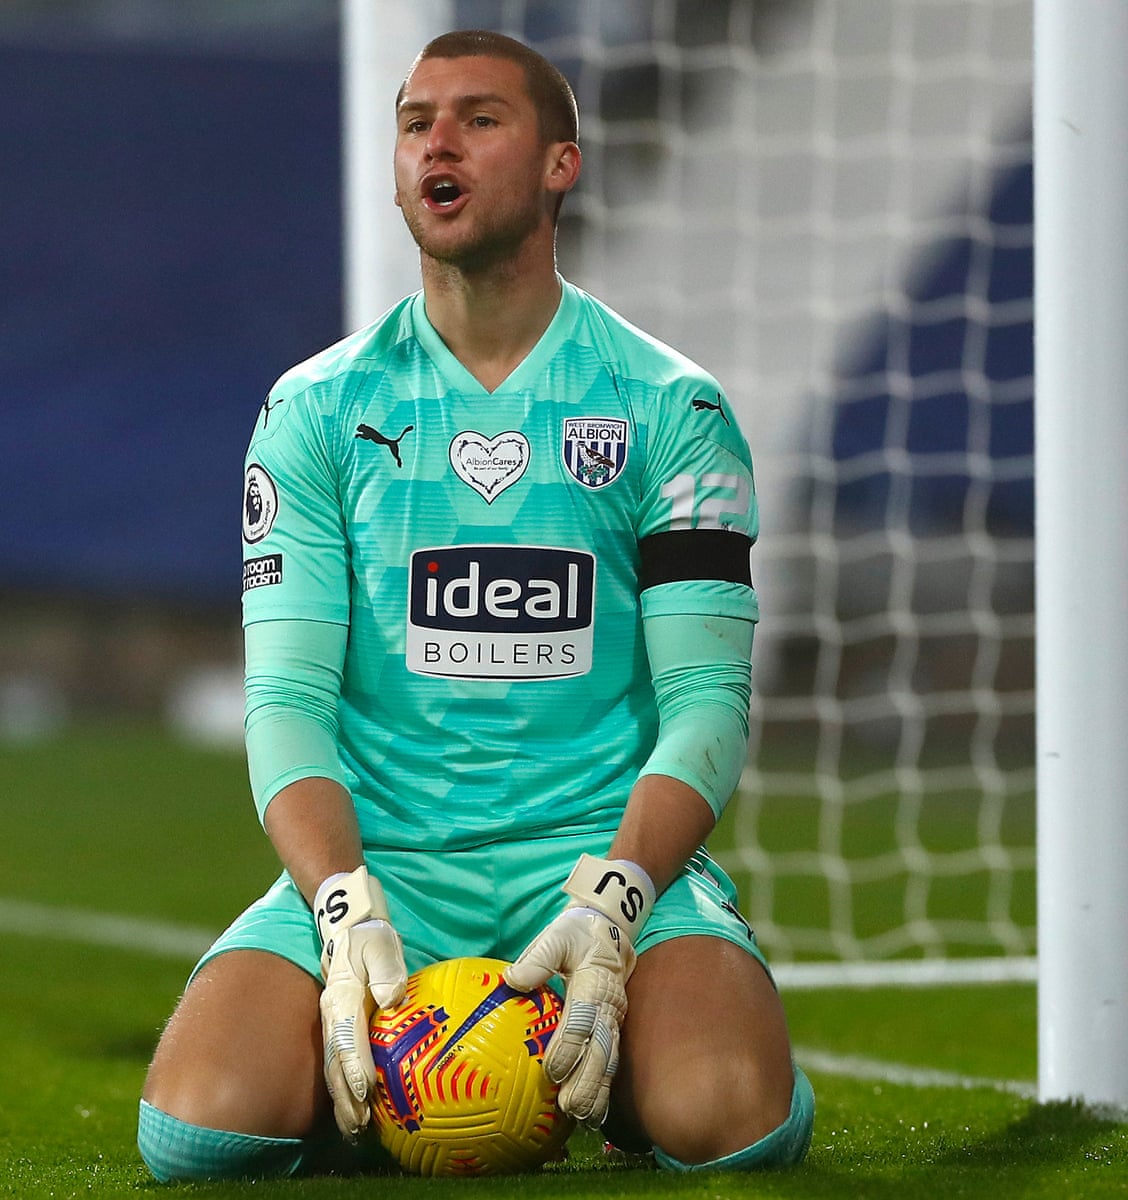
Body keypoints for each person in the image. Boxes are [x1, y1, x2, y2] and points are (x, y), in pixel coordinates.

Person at [137, 28, 814, 1181]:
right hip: (386, 869)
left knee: (729, 1125)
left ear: (562, 163)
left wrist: (619, 897)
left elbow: (706, 703)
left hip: (600, 863)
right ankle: (400, 1086)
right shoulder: (313, 411)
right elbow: (287, 704)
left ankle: (655, 1055)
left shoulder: (670, 408)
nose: (435, 141)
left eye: (478, 118)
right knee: (199, 1135)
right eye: (415, 122)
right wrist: (342, 905)